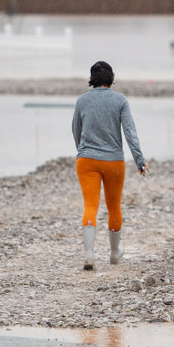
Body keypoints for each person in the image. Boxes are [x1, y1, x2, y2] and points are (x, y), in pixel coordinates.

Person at [72, 61, 149, 270]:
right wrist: (139, 160)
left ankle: (89, 254)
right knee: (114, 206)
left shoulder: (81, 100)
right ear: (111, 78)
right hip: (114, 161)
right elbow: (130, 132)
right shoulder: (120, 100)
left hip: (87, 160)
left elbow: (76, 130)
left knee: (90, 206)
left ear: (92, 79)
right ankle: (115, 253)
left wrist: (83, 152)